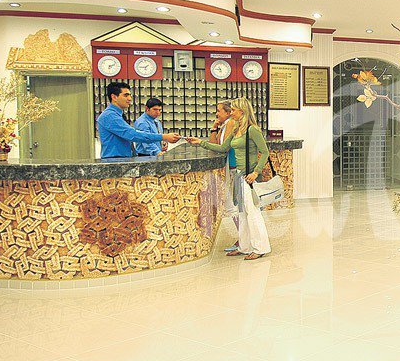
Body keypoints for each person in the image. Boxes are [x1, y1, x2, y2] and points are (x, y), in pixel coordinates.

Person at [189, 97, 270, 260]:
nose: (231, 112)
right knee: (242, 213)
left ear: (242, 111)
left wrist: (256, 172)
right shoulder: (236, 130)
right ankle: (245, 247)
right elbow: (223, 148)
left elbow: (265, 152)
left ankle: (261, 247)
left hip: (249, 177)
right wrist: (200, 143)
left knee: (252, 212)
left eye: (233, 110)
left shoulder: (253, 130)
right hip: (239, 175)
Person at [97, 82, 180, 159]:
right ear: (114, 97)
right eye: (126, 95)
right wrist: (164, 137)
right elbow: (133, 135)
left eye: (130, 95)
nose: (130, 98)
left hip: (124, 159)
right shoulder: (109, 116)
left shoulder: (119, 115)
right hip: (115, 161)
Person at [210, 101, 241, 254]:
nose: (217, 114)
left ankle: (243, 239)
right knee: (233, 206)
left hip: (234, 169)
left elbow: (223, 148)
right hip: (229, 169)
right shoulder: (224, 125)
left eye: (219, 111)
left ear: (228, 112)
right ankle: (243, 238)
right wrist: (214, 128)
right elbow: (214, 144)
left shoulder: (231, 123)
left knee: (234, 206)